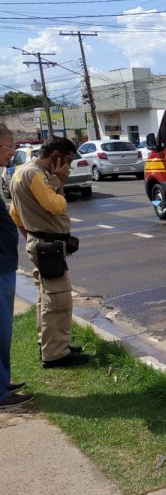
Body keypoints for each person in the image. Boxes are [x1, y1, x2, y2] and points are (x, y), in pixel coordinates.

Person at [9, 136, 89, 368]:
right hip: (46, 247)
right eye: (67, 161)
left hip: (43, 245)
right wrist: (59, 180)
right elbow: (57, 205)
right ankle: (56, 354)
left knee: (47, 298)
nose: (69, 167)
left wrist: (33, 238)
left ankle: (51, 344)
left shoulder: (22, 172)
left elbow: (16, 215)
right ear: (55, 157)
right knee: (58, 300)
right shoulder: (35, 175)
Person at [0, 123, 33, 408]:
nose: (12, 152)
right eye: (9, 147)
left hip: (5, 263)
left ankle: (2, 382)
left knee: (4, 330)